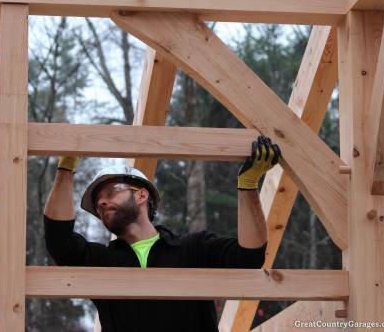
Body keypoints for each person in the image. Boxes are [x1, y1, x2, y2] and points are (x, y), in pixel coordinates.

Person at [43, 135, 281, 332]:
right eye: (97, 203)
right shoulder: (104, 262)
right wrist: (66, 168)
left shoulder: (194, 249)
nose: (102, 203)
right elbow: (59, 242)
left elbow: (250, 258)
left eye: (110, 192)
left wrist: (248, 184)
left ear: (141, 195)